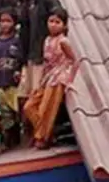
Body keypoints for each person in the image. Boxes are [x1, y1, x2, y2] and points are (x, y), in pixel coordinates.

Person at [22, 9, 79, 149]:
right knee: (29, 106)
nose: (53, 25)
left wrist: (70, 80)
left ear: (64, 26)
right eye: (51, 21)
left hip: (59, 77)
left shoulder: (63, 41)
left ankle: (42, 138)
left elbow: (75, 60)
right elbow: (46, 64)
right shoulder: (47, 40)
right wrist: (39, 82)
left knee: (47, 108)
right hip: (48, 77)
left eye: (57, 22)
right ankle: (45, 133)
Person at [16, 0, 63, 117]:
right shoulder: (25, 1)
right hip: (27, 56)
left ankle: (40, 133)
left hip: (41, 57)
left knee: (36, 97)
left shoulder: (50, 3)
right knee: (23, 96)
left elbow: (60, 26)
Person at [0, 10, 23, 147]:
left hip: (12, 82)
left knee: (14, 110)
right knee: (1, 111)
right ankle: (5, 139)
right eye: (2, 21)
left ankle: (16, 137)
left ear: (14, 23)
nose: (5, 24)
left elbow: (21, 61)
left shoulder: (18, 41)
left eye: (8, 21)